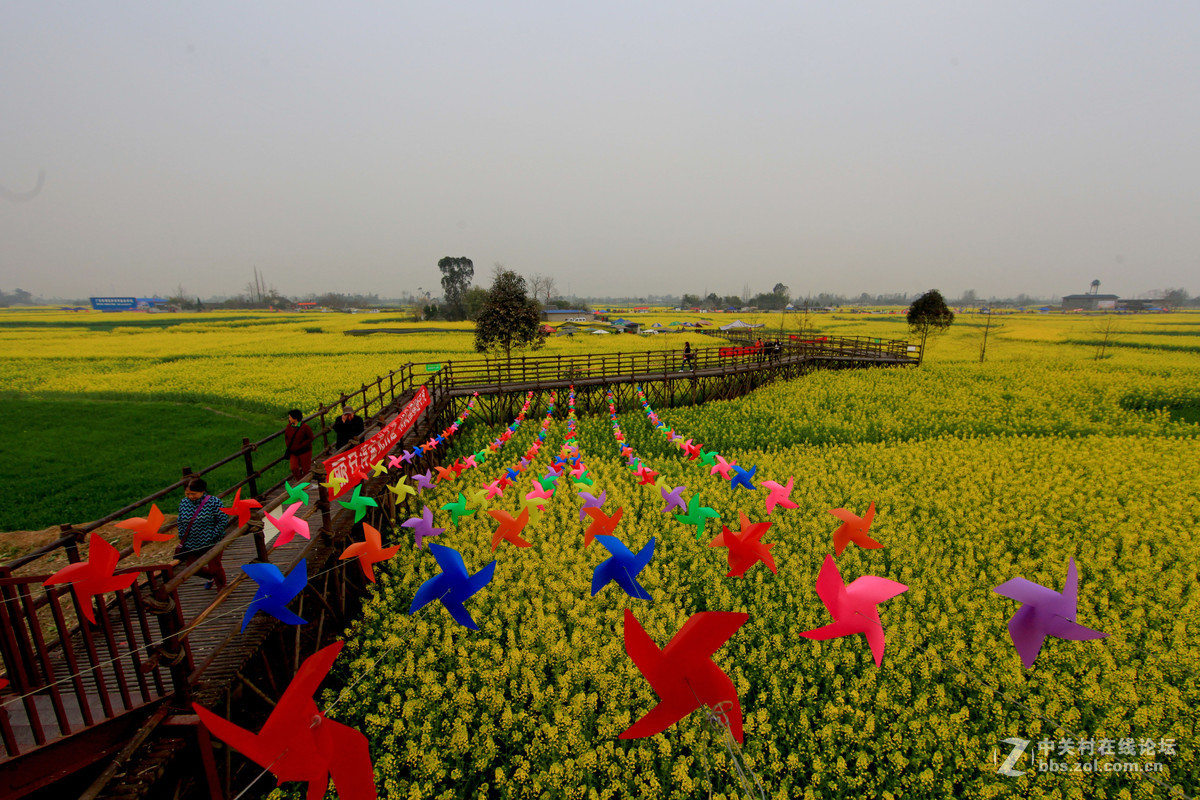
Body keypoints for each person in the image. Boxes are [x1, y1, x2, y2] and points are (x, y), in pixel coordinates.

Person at [176, 477, 229, 590]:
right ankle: (211, 577)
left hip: (212, 541)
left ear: (202, 491)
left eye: (193, 494)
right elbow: (180, 521)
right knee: (192, 568)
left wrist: (212, 535)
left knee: (215, 567)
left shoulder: (213, 502)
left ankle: (222, 588)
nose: (190, 497)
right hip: (192, 543)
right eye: (187, 494)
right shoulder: (184, 503)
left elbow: (223, 519)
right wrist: (182, 536)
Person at [284, 409, 314, 480]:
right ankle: (300, 482)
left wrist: (301, 445)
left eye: (290, 417)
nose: (289, 419)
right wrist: (289, 446)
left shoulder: (305, 427)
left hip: (304, 451)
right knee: (293, 468)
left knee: (305, 469)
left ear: (295, 418)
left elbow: (311, 438)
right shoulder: (289, 426)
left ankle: (306, 484)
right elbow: (286, 437)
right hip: (293, 452)